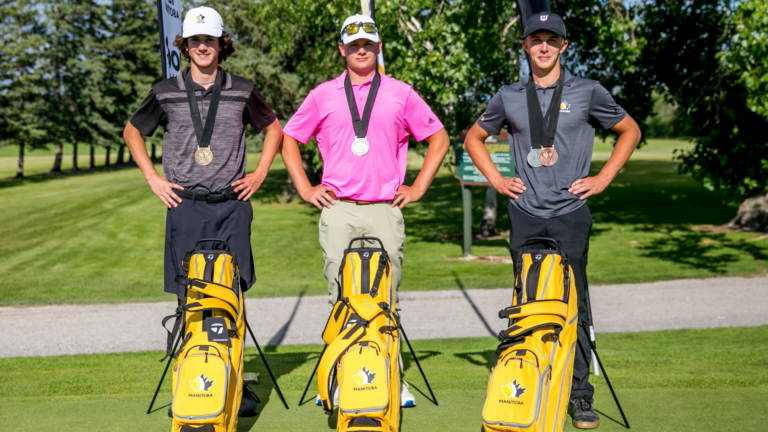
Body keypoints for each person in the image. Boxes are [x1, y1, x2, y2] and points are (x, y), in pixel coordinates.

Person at [463, 12, 641, 430]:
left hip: (570, 214)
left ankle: (580, 394)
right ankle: (526, 381)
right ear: (525, 46)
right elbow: (473, 138)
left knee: (574, 303)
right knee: (526, 301)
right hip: (524, 212)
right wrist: (497, 180)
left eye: (551, 40)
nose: (543, 47)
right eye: (535, 39)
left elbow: (630, 130)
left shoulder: (588, 91)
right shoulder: (508, 95)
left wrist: (603, 178)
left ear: (564, 46)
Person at [281, 13, 450, 407]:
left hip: (384, 208)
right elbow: (290, 140)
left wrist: (418, 186)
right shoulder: (323, 94)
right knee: (339, 296)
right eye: (354, 44)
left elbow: (439, 138)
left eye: (368, 45)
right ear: (342, 49)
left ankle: (391, 377)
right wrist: (305, 188)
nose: (361, 50)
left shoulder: (400, 93)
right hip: (338, 208)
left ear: (378, 48)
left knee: (387, 296)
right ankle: (341, 378)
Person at [122, 6, 283, 416]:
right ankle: (190, 383)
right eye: (195, 41)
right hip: (186, 206)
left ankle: (234, 386)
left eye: (209, 40)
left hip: (232, 205)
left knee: (231, 298)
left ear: (221, 44)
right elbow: (132, 130)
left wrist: (261, 172)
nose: (202, 47)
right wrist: (153, 178)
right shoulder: (166, 91)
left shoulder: (243, 89)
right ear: (186, 45)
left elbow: (274, 128)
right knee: (189, 299)